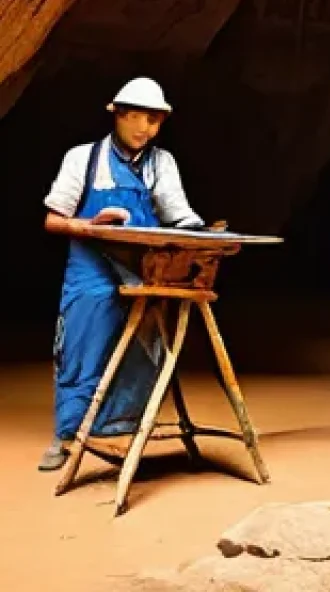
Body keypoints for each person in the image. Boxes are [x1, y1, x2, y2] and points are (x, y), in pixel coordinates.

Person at [38, 78, 204, 471]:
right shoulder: (84, 159)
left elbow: (179, 214)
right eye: (139, 118)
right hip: (91, 273)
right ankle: (66, 437)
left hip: (142, 271)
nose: (146, 128)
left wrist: (196, 232)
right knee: (80, 352)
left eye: (155, 121)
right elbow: (53, 220)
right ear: (119, 114)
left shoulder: (161, 163)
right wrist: (92, 226)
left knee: (142, 354)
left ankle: (116, 432)